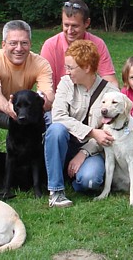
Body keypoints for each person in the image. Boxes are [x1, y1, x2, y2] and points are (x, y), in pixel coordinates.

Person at [44, 40, 119, 208]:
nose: (67, 72)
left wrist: (84, 152)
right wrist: (92, 131)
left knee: (90, 181)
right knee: (56, 130)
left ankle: (73, 178)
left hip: (91, 150)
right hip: (66, 142)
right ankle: (56, 191)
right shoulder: (65, 83)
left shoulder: (111, 93)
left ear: (86, 67)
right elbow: (58, 117)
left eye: (71, 68)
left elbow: (109, 133)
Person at [0, 20, 54, 130]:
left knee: (52, 118)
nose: (19, 48)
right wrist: (7, 107)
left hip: (20, 109)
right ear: (3, 45)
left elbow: (47, 92)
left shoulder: (41, 64)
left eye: (24, 43)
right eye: (13, 43)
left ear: (30, 44)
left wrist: (47, 102)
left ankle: (42, 146)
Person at [40, 0, 119, 88]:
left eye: (75, 26)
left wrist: (116, 95)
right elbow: (46, 85)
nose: (70, 31)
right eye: (66, 25)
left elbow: (109, 79)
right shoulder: (50, 46)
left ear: (87, 23)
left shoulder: (98, 44)